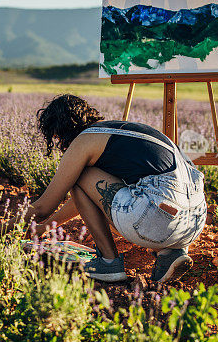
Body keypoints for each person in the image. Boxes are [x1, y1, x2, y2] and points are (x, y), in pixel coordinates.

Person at [25, 94, 207, 283]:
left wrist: (4, 228)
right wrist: (45, 227)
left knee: (78, 175)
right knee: (102, 185)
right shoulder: (122, 133)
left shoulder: (84, 141)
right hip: (194, 224)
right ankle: (170, 253)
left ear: (59, 131)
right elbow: (93, 196)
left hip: (155, 219)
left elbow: (43, 207)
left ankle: (109, 262)